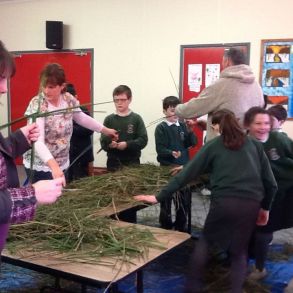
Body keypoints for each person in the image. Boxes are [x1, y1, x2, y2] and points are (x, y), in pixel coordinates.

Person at [134, 109, 277, 293]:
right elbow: (271, 184)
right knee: (239, 252)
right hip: (250, 204)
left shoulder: (213, 145)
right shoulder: (255, 146)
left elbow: (186, 175)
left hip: (224, 202)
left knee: (206, 243)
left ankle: (192, 288)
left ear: (216, 126)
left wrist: (157, 197)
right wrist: (265, 209)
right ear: (238, 123)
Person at [0, 40, 63, 255]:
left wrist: (17, 141)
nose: (4, 89)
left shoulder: (69, 101)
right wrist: (31, 194)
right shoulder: (37, 104)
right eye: (0, 79)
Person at [22, 63, 118, 184]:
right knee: (45, 200)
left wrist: (105, 130)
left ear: (62, 86)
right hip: (42, 164)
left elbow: (81, 117)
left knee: (59, 197)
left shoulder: (68, 99)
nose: (46, 91)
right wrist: (54, 167)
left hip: (62, 161)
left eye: (51, 87)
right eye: (44, 86)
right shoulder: (38, 104)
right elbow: (38, 141)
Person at [244, 107, 293, 280]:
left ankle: (259, 269)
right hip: (260, 195)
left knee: (264, 232)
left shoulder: (279, 140)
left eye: (267, 123)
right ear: (248, 125)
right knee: (257, 231)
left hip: (284, 193)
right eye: (258, 123)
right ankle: (255, 264)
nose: (263, 127)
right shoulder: (245, 144)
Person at [175, 47, 264, 142]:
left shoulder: (222, 85)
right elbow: (244, 116)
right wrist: (208, 124)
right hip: (248, 146)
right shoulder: (256, 86)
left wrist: (177, 108)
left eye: (223, 61)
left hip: (224, 146)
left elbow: (191, 109)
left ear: (227, 61)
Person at [155, 96, 197, 231]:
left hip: (183, 169)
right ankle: (165, 224)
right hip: (167, 168)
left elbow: (192, 143)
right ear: (164, 111)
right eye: (172, 110)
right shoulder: (161, 128)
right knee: (166, 199)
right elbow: (160, 149)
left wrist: (190, 130)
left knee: (183, 200)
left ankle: (181, 224)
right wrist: (170, 153)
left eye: (177, 111)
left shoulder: (183, 126)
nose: (175, 114)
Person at [100, 85, 148, 171]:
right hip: (113, 162)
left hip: (132, 163)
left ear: (130, 100)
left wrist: (127, 144)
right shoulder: (109, 119)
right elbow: (103, 142)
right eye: (116, 100)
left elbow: (143, 140)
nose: (119, 103)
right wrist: (110, 144)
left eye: (123, 100)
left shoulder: (136, 118)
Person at [65, 83, 94, 182]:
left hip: (81, 155)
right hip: (67, 155)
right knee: (67, 179)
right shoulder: (61, 113)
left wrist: (71, 127)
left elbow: (89, 130)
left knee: (81, 181)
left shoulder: (83, 110)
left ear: (76, 97)